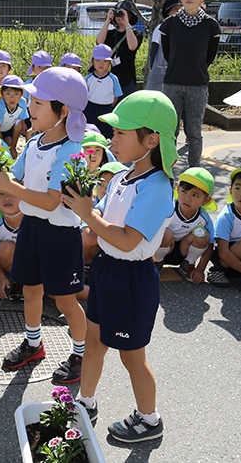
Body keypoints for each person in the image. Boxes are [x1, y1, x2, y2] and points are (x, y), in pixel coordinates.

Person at [62, 90, 178, 443]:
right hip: (108, 270)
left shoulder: (157, 186)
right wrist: (89, 211)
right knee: (94, 342)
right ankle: (86, 401)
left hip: (131, 278)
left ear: (152, 139)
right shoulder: (126, 175)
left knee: (132, 356)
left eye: (121, 133)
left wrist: (87, 214)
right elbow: (105, 226)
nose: (112, 139)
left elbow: (127, 240)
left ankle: (149, 419)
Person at [0, 67, 89, 384]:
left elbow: (52, 200)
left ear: (63, 111)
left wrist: (9, 186)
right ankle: (33, 343)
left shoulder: (71, 151)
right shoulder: (34, 142)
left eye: (38, 103)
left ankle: (81, 353)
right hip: (31, 229)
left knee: (66, 300)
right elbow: (15, 177)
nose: (30, 107)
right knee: (30, 290)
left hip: (60, 235)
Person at [160, 0, 221, 167]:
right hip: (172, 84)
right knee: (170, 131)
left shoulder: (211, 26)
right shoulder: (169, 25)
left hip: (198, 85)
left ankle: (194, 172)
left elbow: (209, 56)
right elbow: (168, 53)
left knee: (194, 132)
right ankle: (167, 170)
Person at [153, 166, 217, 284]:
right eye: (184, 191)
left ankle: (187, 265)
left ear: (206, 200)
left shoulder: (204, 219)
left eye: (195, 195)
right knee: (165, 233)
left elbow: (210, 245)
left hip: (184, 252)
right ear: (178, 189)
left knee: (204, 236)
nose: (187, 198)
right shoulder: (167, 209)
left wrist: (200, 269)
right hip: (161, 249)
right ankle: (157, 263)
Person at [96, 0, 144, 97]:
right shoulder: (110, 34)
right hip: (109, 77)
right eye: (117, 13)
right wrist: (107, 21)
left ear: (129, 16)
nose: (119, 16)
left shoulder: (135, 33)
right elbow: (99, 43)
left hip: (127, 79)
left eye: (123, 13)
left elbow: (132, 47)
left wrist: (126, 24)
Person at [0, 183, 23, 301]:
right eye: (1, 193)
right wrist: (1, 278)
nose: (7, 198)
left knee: (57, 295)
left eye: (13, 192)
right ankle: (19, 281)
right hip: (16, 264)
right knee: (3, 248)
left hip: (39, 267)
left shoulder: (33, 222)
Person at [84, 43, 123, 138]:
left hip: (107, 109)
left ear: (109, 63)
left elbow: (116, 96)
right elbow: (83, 95)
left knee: (106, 134)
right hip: (90, 109)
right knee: (90, 132)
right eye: (98, 60)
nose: (101, 64)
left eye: (105, 61)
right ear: (93, 61)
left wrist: (109, 106)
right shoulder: (87, 78)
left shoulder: (113, 79)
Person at [145, 0, 181, 92]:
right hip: (160, 71)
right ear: (168, 11)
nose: (178, 12)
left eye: (180, 9)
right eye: (175, 9)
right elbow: (154, 50)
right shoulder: (161, 28)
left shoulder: (184, 29)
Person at [0, 75, 28, 157]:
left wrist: (13, 147)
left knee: (11, 149)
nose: (12, 98)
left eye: (16, 94)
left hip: (9, 130)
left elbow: (19, 124)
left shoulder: (22, 103)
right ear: (2, 93)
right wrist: (3, 148)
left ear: (22, 93)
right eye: (8, 94)